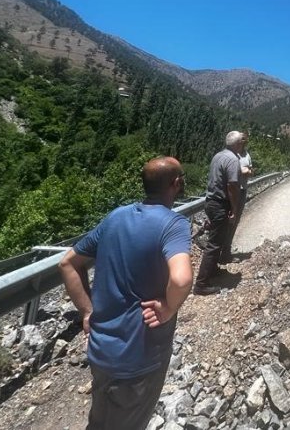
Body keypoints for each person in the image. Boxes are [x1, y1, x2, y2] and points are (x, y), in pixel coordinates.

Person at [58, 156, 193, 430]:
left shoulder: (116, 216)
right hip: (139, 358)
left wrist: (87, 311)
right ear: (176, 183)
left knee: (100, 421)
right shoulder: (173, 225)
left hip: (100, 351)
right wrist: (168, 308)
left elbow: (67, 263)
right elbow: (181, 279)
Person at [193, 130, 245, 295]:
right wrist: (234, 209)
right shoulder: (233, 160)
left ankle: (213, 270)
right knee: (215, 244)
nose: (243, 144)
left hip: (211, 202)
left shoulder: (218, 156)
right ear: (238, 144)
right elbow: (232, 186)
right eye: (242, 142)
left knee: (217, 239)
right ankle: (201, 284)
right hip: (220, 204)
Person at [221, 132, 253, 264]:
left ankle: (226, 250)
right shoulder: (232, 155)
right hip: (233, 191)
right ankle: (223, 252)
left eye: (244, 140)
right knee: (229, 220)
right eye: (241, 140)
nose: (243, 142)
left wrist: (248, 171)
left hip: (242, 189)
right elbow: (231, 174)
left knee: (235, 221)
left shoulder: (246, 155)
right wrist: (241, 171)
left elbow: (250, 170)